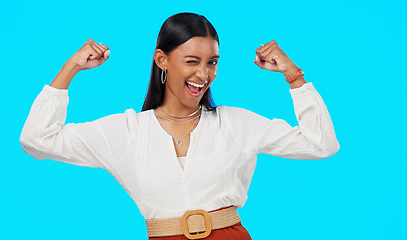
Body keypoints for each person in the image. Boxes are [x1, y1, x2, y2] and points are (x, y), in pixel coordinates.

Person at [20, 12, 339, 240]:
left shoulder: (236, 123)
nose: (203, 74)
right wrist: (70, 68)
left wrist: (294, 77)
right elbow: (36, 139)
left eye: (211, 62)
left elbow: (320, 144)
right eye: (191, 61)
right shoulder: (126, 131)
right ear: (162, 60)